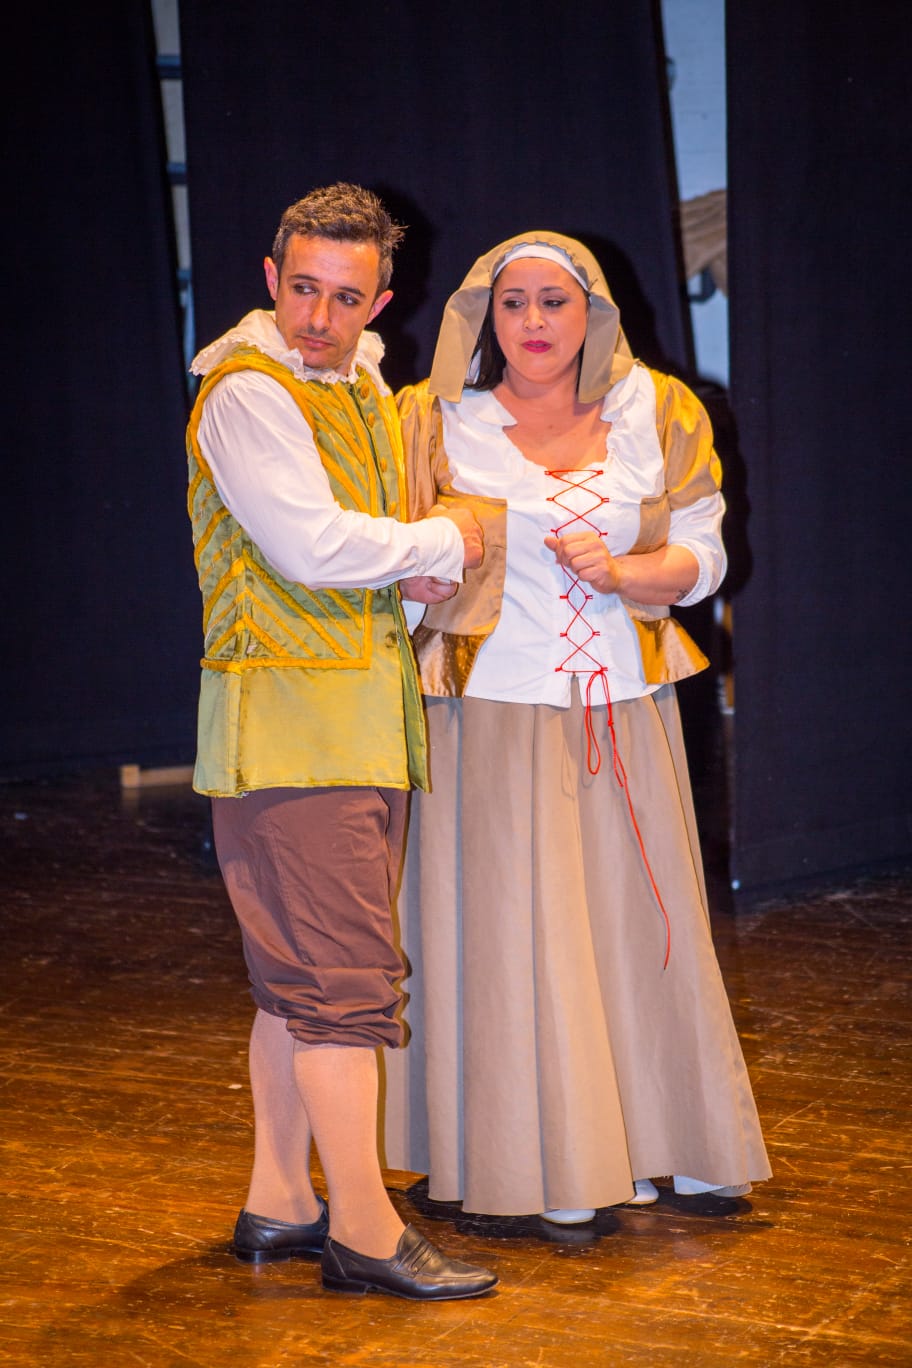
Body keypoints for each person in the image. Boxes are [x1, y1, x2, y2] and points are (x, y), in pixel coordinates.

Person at [384, 231, 771, 1222]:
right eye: (512, 302)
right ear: (484, 315)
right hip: (487, 715)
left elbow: (706, 551)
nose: (533, 322)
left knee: (644, 925)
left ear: (592, 312)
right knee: (512, 935)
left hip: (622, 708)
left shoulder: (659, 410)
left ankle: (668, 1140)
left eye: (553, 301)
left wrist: (630, 572)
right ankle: (537, 1160)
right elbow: (386, 553)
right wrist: (418, 576)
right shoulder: (432, 420)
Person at [186, 183, 497, 1299]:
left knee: (298, 985)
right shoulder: (246, 390)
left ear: (381, 302)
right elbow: (310, 546)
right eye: (305, 289)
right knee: (341, 991)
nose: (320, 317)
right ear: (272, 278)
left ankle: (280, 1199)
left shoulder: (358, 387)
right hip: (289, 735)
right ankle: (364, 1231)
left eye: (346, 297)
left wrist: (409, 579)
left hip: (356, 726)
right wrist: (444, 539)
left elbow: (350, 566)